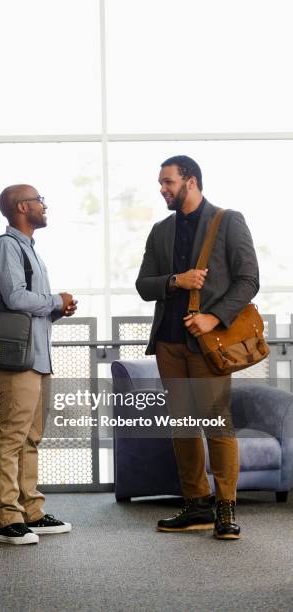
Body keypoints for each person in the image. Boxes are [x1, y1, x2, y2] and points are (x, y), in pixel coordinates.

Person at [136, 156, 259, 540]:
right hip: (169, 344)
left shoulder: (228, 221)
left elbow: (248, 279)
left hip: (208, 345)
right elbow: (144, 285)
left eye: (168, 182)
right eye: (161, 183)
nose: (162, 189)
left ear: (190, 181)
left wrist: (213, 317)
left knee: (217, 424)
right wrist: (176, 280)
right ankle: (197, 504)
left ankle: (226, 508)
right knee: (183, 428)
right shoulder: (160, 231)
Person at [0, 184, 77, 545]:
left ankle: (31, 511)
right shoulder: (6, 246)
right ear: (23, 207)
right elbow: (15, 298)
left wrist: (57, 309)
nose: (44, 206)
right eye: (40, 200)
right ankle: (8, 517)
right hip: (17, 359)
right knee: (12, 435)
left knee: (31, 437)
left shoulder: (30, 251)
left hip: (37, 354)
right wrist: (55, 298)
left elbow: (30, 310)